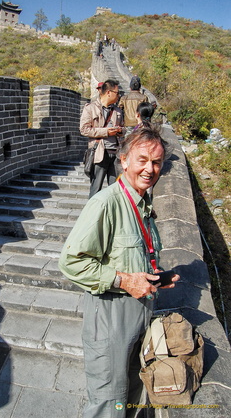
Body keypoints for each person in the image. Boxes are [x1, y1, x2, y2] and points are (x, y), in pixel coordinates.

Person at [59, 126, 180, 417]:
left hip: (140, 318)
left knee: (134, 395)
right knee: (109, 404)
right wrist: (123, 280)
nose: (150, 169)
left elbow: (132, 253)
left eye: (156, 162)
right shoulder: (105, 203)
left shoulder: (142, 202)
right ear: (124, 160)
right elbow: (71, 262)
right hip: (111, 325)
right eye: (142, 160)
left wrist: (153, 275)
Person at [80, 79, 124, 198]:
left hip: (115, 153)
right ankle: (92, 215)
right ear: (109, 92)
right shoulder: (90, 108)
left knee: (115, 190)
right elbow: (84, 129)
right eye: (117, 93)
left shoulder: (118, 111)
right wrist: (106, 132)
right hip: (99, 153)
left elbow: (124, 129)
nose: (119, 96)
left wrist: (119, 131)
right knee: (96, 188)